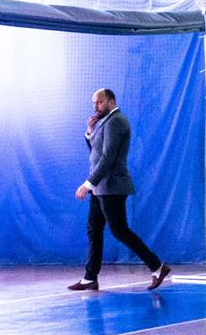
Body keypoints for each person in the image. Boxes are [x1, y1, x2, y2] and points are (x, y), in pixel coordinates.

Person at [69, 88, 171, 292]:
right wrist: (90, 132)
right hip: (100, 188)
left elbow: (108, 157)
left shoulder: (116, 121)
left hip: (112, 187)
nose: (96, 107)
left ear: (111, 101)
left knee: (119, 230)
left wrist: (87, 183)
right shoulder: (105, 122)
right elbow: (96, 153)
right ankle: (90, 278)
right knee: (94, 230)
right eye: (94, 103)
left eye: (99, 102)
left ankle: (157, 267)